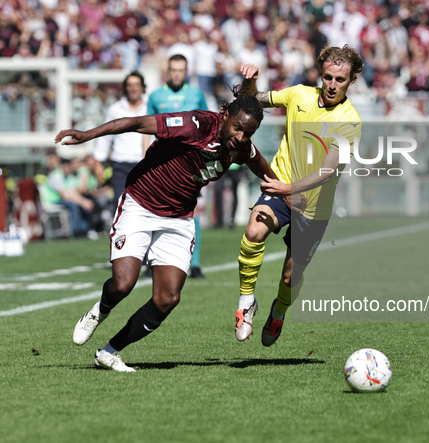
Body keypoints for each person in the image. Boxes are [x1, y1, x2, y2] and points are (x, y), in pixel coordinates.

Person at [55, 95, 272, 372]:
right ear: (226, 115)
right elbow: (137, 122)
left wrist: (286, 196)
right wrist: (89, 134)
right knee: (122, 285)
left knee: (167, 298)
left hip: (178, 219)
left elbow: (263, 168)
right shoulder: (195, 125)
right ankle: (100, 309)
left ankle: (109, 352)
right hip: (140, 205)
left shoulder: (240, 148)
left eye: (249, 132)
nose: (242, 137)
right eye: (238, 128)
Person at [234, 45, 363, 346]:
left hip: (314, 207)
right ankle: (246, 302)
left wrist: (287, 189)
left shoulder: (349, 120)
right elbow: (253, 101)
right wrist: (252, 81)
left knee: (291, 277)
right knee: (253, 232)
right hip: (281, 189)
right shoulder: (298, 95)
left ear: (351, 81)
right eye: (328, 77)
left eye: (340, 80)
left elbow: (328, 170)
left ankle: (278, 310)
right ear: (321, 74)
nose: (332, 85)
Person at [146, 54, 208, 279]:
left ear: (186, 71)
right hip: (162, 161)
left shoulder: (196, 95)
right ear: (167, 70)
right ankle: (150, 261)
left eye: (181, 70)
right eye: (173, 69)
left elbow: (208, 124)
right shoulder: (155, 96)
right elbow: (147, 126)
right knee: (152, 208)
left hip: (190, 161)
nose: (176, 74)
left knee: (192, 210)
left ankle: (196, 263)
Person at [93, 71, 147, 210]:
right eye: (130, 85)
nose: (133, 88)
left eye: (136, 84)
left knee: (143, 207)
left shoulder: (150, 108)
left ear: (142, 87)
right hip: (120, 164)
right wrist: (98, 161)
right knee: (121, 206)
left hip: (144, 165)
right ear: (125, 88)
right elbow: (105, 136)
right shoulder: (115, 109)